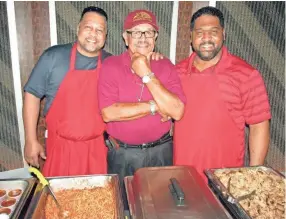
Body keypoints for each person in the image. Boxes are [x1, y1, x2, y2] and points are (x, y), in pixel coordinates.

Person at [98, 9, 185, 208]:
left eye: (148, 32)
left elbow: (177, 111)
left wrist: (146, 73)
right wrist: (155, 106)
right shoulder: (111, 65)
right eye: (136, 32)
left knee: (162, 207)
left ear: (155, 37)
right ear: (125, 37)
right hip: (123, 155)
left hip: (161, 152)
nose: (143, 38)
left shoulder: (165, 65)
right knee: (124, 207)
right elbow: (109, 113)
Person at [174, 6, 271, 181]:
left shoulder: (246, 74)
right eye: (200, 32)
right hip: (183, 176)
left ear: (223, 34)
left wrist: (254, 175)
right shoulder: (176, 72)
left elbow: (259, 125)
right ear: (191, 36)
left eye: (213, 31)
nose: (206, 38)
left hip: (226, 179)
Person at [23, 6, 111, 176]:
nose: (93, 34)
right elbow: (32, 95)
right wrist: (31, 140)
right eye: (88, 27)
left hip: (97, 152)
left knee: (95, 201)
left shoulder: (111, 63)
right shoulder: (53, 57)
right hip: (60, 149)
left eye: (100, 30)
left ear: (105, 36)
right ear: (78, 28)